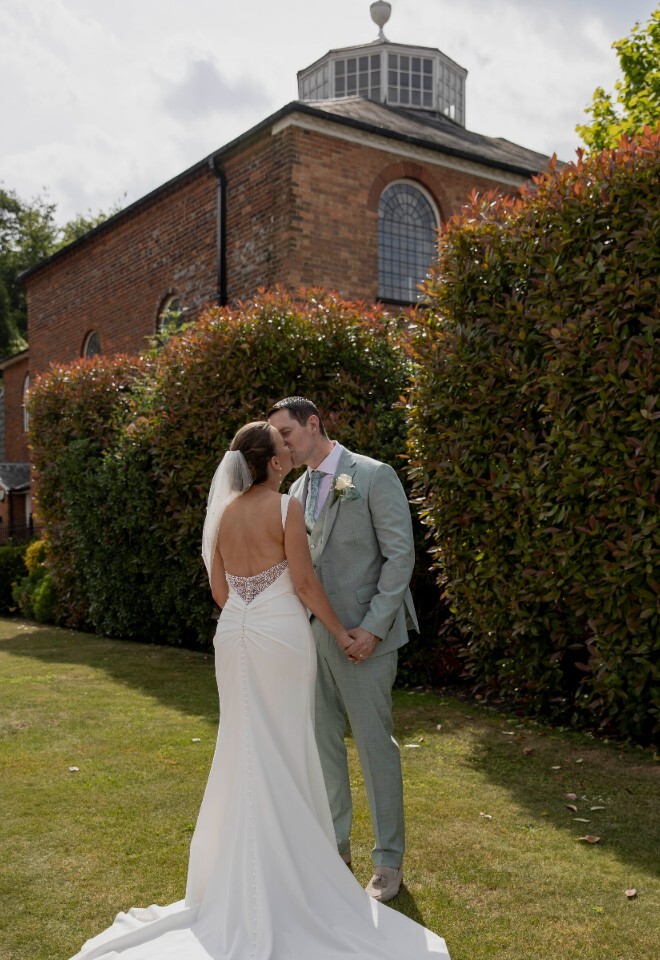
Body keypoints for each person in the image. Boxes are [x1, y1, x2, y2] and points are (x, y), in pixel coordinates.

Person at [68, 420, 449, 960]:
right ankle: (312, 860)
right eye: (280, 443)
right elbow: (303, 581)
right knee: (296, 745)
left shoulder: (227, 511)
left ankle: (354, 860)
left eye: (291, 433)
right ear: (271, 462)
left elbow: (222, 590)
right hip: (290, 636)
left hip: (241, 636)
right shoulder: (287, 502)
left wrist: (258, 610)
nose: (288, 447)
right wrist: (333, 628)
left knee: (249, 745)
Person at [268, 397, 417, 904]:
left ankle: (387, 862)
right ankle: (335, 849)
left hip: (363, 641)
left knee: (376, 748)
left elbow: (400, 557)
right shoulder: (296, 488)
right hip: (312, 637)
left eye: (286, 432)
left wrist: (373, 629)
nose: (281, 444)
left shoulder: (373, 476)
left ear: (313, 424)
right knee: (324, 747)